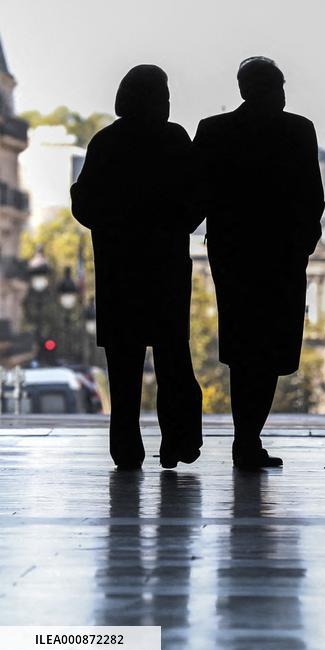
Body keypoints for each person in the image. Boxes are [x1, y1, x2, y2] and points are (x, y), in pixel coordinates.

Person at [193, 57, 324, 469]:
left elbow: (196, 194)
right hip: (281, 254)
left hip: (233, 253)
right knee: (271, 348)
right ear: (275, 88)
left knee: (242, 344)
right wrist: (302, 243)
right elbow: (312, 196)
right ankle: (248, 438)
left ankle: (245, 438)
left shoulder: (213, 131)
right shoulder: (299, 131)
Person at [71, 64, 204, 470]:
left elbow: (86, 203)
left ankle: (126, 447)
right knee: (172, 357)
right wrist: (172, 225)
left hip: (119, 270)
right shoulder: (174, 138)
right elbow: (197, 196)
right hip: (165, 267)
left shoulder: (105, 142)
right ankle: (177, 441)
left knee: (124, 366)